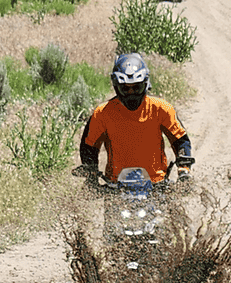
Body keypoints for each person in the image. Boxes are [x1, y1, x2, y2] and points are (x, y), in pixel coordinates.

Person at [79, 52, 194, 187]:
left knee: (177, 207)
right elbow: (89, 147)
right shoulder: (102, 113)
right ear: (116, 87)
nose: (131, 93)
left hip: (157, 186)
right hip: (116, 188)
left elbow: (180, 140)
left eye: (136, 87)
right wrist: (91, 175)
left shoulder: (161, 109)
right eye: (125, 89)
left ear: (145, 84)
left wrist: (184, 171)